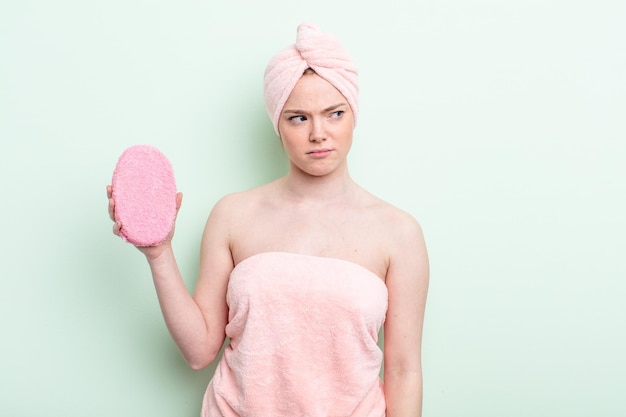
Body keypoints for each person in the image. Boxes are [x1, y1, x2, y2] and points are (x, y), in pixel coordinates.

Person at [107, 23, 429, 417]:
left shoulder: (399, 233)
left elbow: (403, 370)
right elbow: (199, 352)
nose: (318, 134)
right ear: (277, 123)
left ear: (353, 115)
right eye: (298, 118)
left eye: (334, 113)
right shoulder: (233, 215)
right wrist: (158, 254)